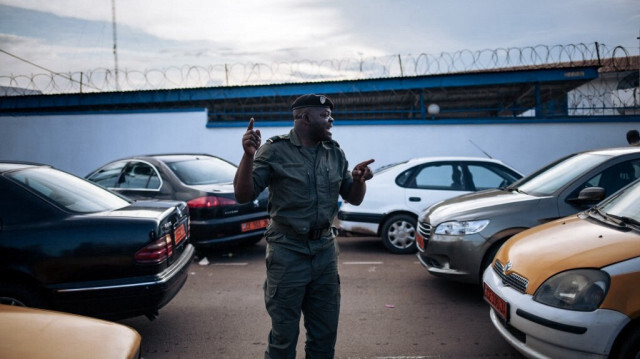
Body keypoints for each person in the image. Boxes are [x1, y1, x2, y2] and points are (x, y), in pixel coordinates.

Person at [234, 94, 374, 359]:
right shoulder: (275, 150)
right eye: (325, 115)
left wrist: (359, 180)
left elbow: (353, 198)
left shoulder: (334, 152)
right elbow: (243, 195)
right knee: (283, 338)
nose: (331, 119)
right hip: (287, 252)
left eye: (330, 114)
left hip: (324, 252)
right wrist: (248, 156)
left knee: (324, 336)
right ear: (305, 117)